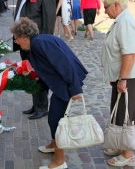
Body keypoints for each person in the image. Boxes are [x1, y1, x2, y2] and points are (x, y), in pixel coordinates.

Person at [10, 17, 88, 169]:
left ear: (24, 37)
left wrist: (75, 88)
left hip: (67, 83)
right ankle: (54, 144)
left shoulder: (39, 43)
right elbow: (46, 70)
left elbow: (64, 64)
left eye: (17, 39)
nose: (17, 42)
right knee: (54, 118)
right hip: (63, 83)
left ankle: (59, 162)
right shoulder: (38, 42)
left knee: (56, 120)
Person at [101, 0, 135, 167]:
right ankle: (121, 146)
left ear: (116, 4)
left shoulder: (125, 22)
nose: (103, 10)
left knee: (125, 114)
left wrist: (122, 78)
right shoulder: (121, 20)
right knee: (119, 111)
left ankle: (128, 154)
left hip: (129, 77)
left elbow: (129, 54)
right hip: (123, 76)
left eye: (105, 7)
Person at [13, 0, 56, 120]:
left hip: (36, 42)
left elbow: (49, 20)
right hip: (24, 42)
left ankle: (43, 107)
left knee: (39, 74)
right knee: (29, 73)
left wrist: (44, 43)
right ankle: (35, 104)